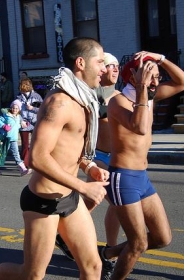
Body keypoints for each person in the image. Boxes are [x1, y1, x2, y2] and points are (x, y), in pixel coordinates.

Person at [0, 37, 110, 280]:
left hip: (69, 197)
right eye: (101, 62)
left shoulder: (84, 100)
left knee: (93, 267)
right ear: (81, 63)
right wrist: (84, 186)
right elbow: (38, 158)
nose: (104, 68)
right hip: (44, 202)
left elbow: (67, 149)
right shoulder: (59, 102)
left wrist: (89, 166)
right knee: (31, 275)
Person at [99, 51, 184, 280]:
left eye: (157, 76)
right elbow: (139, 127)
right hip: (122, 178)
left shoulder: (150, 97)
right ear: (134, 77)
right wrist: (142, 90)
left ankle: (107, 253)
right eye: (150, 75)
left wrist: (161, 59)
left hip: (141, 177)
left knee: (162, 238)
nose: (155, 81)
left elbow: (182, 82)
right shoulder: (118, 101)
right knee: (138, 244)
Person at [55, 52, 122, 262]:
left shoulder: (120, 94)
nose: (114, 69)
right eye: (109, 65)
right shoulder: (93, 95)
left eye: (117, 66)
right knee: (116, 204)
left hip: (119, 158)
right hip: (99, 156)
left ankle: (66, 234)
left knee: (96, 203)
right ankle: (108, 253)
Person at [0, 99, 32, 177]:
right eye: (13, 108)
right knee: (1, 154)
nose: (14, 110)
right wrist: (3, 126)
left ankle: (23, 169)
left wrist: (25, 124)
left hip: (13, 139)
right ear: (10, 108)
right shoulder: (6, 115)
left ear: (19, 109)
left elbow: (17, 126)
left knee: (16, 154)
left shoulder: (19, 117)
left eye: (16, 108)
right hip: (5, 139)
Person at [16, 78, 43, 170]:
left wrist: (32, 108)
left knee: (36, 143)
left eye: (22, 85)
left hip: (35, 122)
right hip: (24, 124)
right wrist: (21, 121)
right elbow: (15, 111)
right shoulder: (18, 98)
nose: (21, 87)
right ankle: (26, 163)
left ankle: (36, 161)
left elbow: (43, 109)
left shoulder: (37, 97)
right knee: (25, 144)